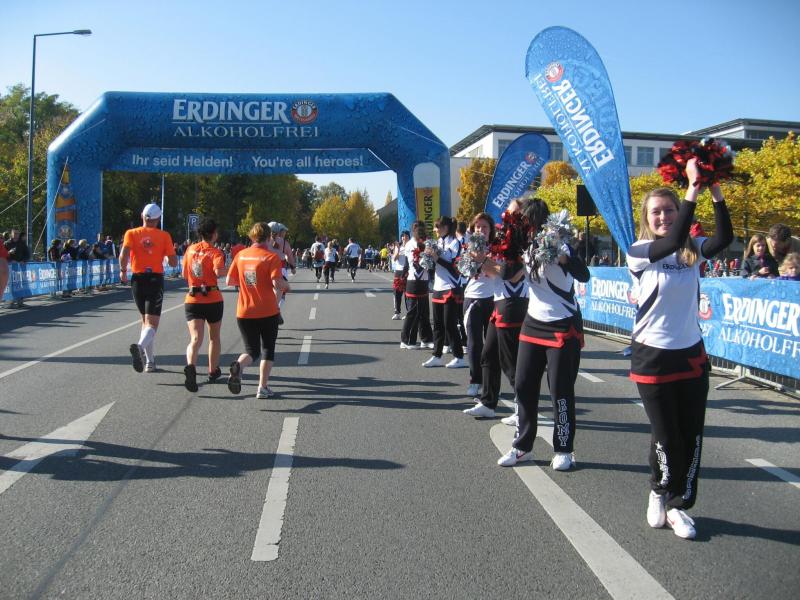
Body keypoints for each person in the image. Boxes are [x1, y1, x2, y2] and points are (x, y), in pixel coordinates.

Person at [626, 158, 733, 540]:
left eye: (670, 210)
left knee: (690, 435)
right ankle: (659, 490)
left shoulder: (692, 250)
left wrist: (714, 189)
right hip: (652, 355)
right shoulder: (639, 251)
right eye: (656, 212)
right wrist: (691, 188)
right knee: (666, 435)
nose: (664, 217)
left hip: (690, 355)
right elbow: (670, 242)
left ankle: (678, 505)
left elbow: (724, 239)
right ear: (646, 218)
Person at [497, 199, 590, 471]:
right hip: (533, 323)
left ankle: (564, 448)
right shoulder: (523, 248)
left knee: (560, 389)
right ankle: (522, 446)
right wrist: (508, 248)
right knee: (524, 385)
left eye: (521, 219)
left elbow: (583, 275)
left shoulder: (560, 243)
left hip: (562, 324)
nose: (518, 223)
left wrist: (563, 257)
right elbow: (508, 275)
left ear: (534, 220)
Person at [464, 200, 529, 420]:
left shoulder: (523, 240)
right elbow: (497, 272)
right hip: (500, 301)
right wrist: (480, 263)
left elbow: (513, 274)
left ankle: (523, 408)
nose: (506, 216)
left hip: (514, 302)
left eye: (512, 213)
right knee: (488, 355)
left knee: (510, 362)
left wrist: (483, 261)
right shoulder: (504, 239)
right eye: (507, 212)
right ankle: (488, 402)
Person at [226, 222, 289, 399]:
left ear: (252, 237)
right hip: (267, 310)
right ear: (269, 238)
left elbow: (229, 281)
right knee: (268, 348)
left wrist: (248, 283)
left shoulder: (241, 255)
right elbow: (277, 284)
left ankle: (239, 365)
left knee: (252, 350)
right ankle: (262, 387)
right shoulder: (271, 257)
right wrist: (287, 286)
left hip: (244, 311)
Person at [119, 203, 178, 373]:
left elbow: (124, 253)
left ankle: (150, 362)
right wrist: (167, 256)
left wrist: (123, 271)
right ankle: (140, 347)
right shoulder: (164, 235)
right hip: (154, 279)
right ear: (158, 219)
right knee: (152, 324)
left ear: (142, 216)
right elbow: (173, 262)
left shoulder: (131, 233)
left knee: (145, 321)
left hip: (137, 279)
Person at [182, 217, 227, 392]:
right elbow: (219, 272)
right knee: (214, 337)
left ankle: (191, 367)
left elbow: (185, 274)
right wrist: (229, 269)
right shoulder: (215, 252)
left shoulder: (190, 250)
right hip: (212, 298)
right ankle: (212, 370)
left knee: (195, 339)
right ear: (214, 234)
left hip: (193, 298)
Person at [459, 213, 496, 400]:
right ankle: (475, 380)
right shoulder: (467, 249)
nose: (481, 230)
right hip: (473, 299)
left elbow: (498, 272)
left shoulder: (498, 248)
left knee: (491, 346)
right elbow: (464, 271)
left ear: (491, 230)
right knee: (474, 343)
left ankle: (490, 382)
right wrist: (472, 258)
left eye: (485, 227)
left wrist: (484, 259)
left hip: (494, 300)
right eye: (478, 227)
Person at [422, 216, 466, 368]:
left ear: (446, 228)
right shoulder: (438, 242)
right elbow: (434, 265)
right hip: (438, 287)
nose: (435, 230)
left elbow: (454, 267)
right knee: (438, 324)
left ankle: (459, 357)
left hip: (451, 286)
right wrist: (426, 259)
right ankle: (437, 355)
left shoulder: (455, 243)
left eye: (437, 227)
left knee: (450, 324)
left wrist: (436, 257)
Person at [400, 221, 434, 349]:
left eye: (422, 228)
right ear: (413, 230)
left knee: (424, 312)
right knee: (413, 312)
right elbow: (409, 263)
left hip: (424, 280)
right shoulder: (409, 244)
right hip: (413, 280)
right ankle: (407, 340)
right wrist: (402, 278)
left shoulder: (428, 242)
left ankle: (426, 339)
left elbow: (431, 263)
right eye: (417, 228)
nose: (420, 231)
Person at [391, 232, 410, 320]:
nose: (404, 237)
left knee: (407, 294)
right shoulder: (398, 246)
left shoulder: (411, 246)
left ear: (409, 237)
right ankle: (397, 312)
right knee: (397, 293)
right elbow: (394, 258)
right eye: (402, 236)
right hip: (398, 271)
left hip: (408, 272)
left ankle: (408, 312)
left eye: (406, 236)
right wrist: (398, 249)